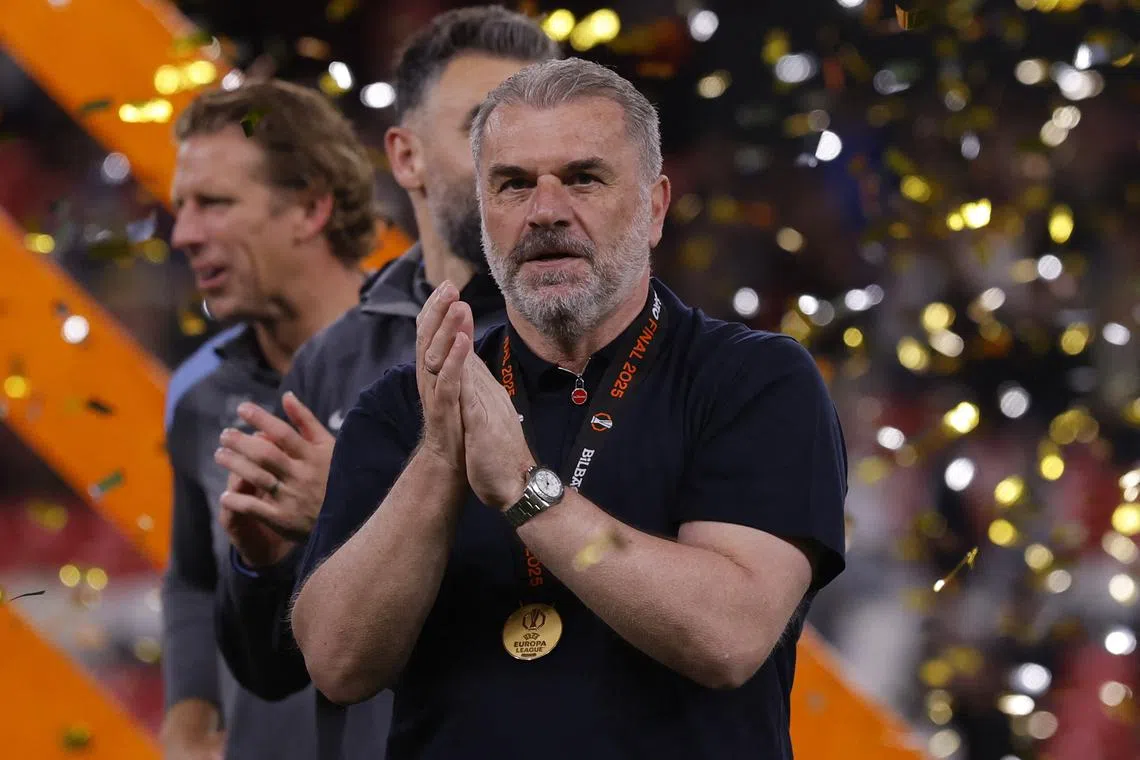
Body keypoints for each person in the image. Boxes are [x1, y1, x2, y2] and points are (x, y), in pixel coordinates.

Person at [291, 58, 849, 759]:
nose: (546, 211)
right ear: (485, 216)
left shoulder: (753, 380)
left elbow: (728, 636)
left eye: (583, 177)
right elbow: (339, 664)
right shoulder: (406, 406)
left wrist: (527, 492)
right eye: (513, 184)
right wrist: (439, 459)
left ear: (653, 206)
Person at [210, 7, 560, 758]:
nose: (519, 150)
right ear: (405, 157)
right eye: (483, 123)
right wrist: (265, 563)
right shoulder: (333, 357)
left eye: (541, 121)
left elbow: (580, 600)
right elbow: (274, 671)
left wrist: (349, 507)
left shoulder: (590, 344)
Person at [161, 79, 375, 760]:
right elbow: (194, 577)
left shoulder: (432, 365)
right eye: (181, 208)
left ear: (310, 207)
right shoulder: (197, 393)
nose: (184, 234)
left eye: (214, 204)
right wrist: (187, 722)